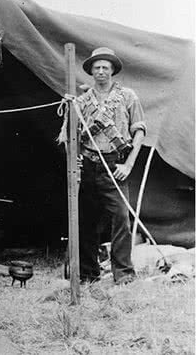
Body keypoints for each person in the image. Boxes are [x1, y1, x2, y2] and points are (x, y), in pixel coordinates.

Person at [75, 47, 145, 285]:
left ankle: (124, 275)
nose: (101, 71)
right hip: (89, 165)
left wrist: (128, 165)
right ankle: (87, 275)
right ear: (91, 72)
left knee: (121, 220)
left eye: (106, 67)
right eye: (97, 67)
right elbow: (71, 136)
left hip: (115, 165)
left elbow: (139, 132)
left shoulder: (127, 96)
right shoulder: (82, 101)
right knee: (86, 222)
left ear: (113, 70)